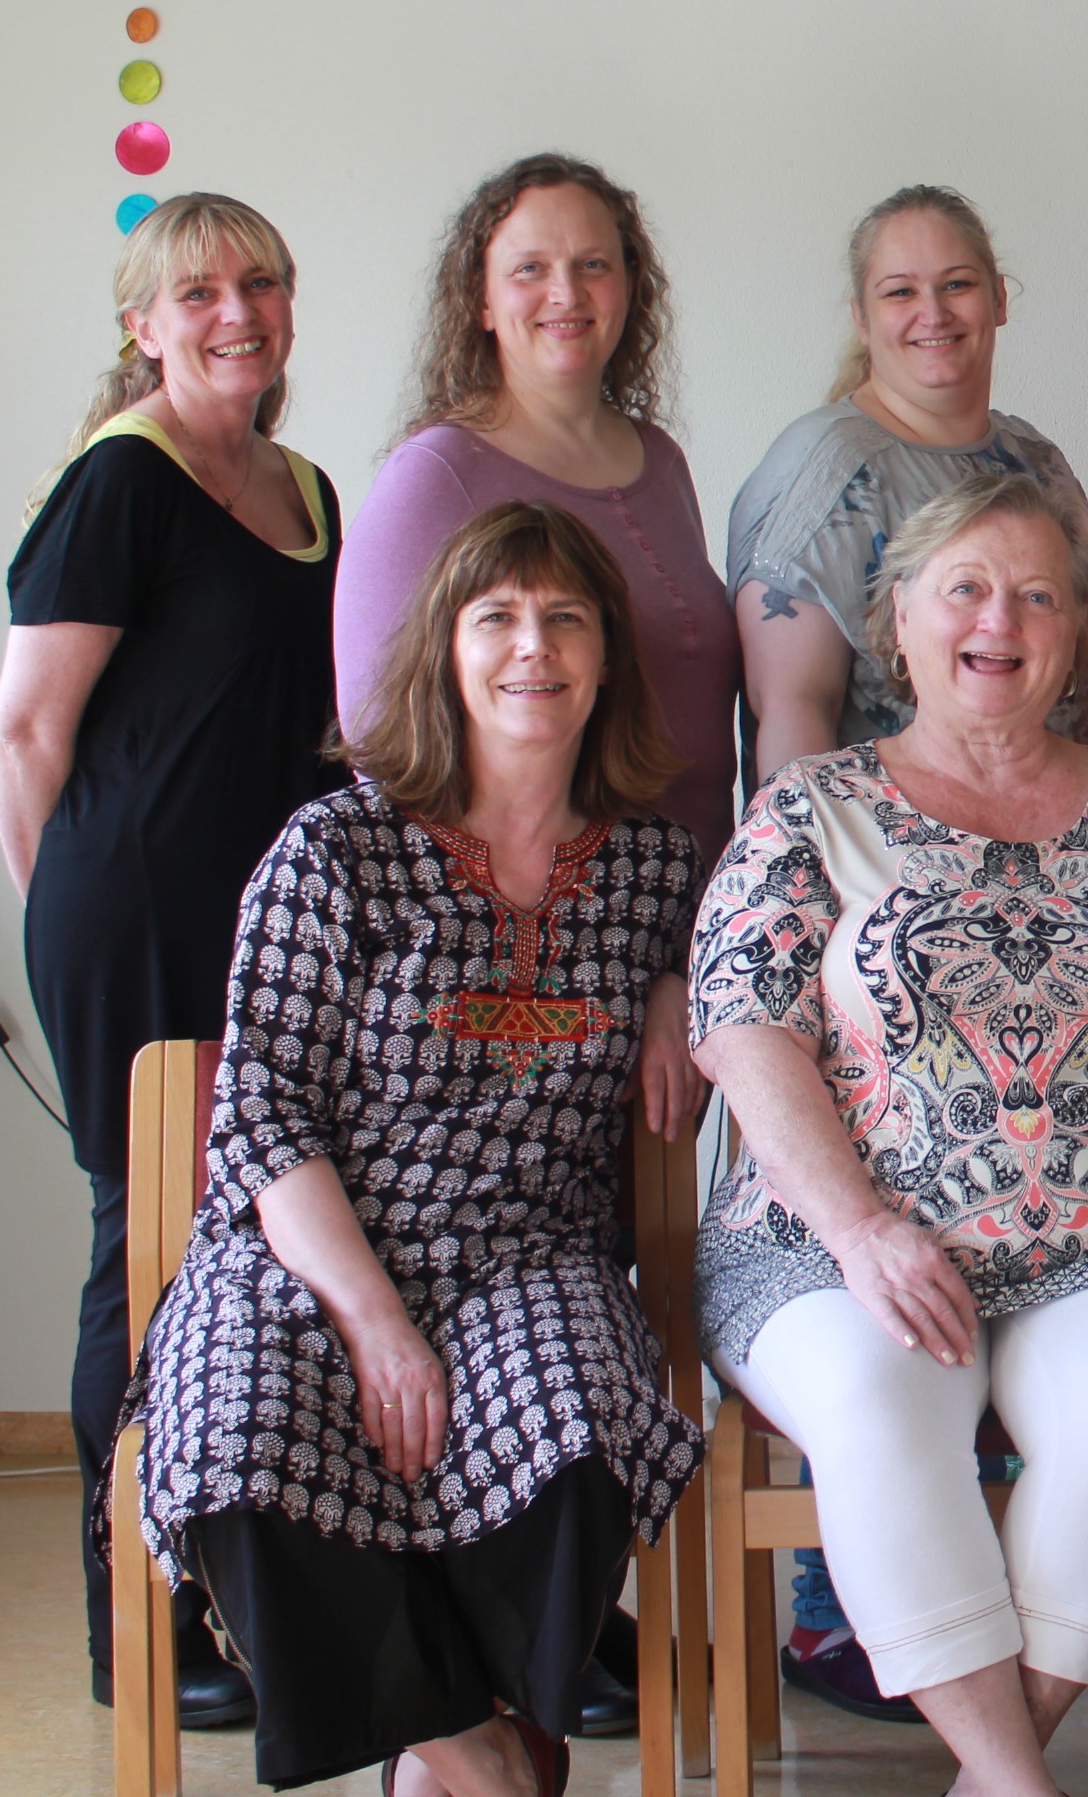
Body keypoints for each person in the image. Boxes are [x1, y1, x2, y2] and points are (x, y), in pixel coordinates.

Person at [686, 471, 1088, 1797]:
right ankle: (1017, 1782)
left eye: (1035, 595)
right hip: (837, 1242)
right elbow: (741, 1031)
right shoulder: (809, 807)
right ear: (900, 620)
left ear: (1076, 634)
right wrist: (861, 1230)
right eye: (965, 588)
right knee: (881, 1411)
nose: (997, 619)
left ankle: (996, 1776)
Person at [127, 501, 706, 1797]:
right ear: (443, 652)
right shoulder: (333, 849)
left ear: (607, 655)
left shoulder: (660, 872)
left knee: (580, 1417)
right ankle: (474, 1754)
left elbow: (738, 968)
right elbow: (262, 1108)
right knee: (236, 1435)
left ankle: (460, 1740)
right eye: (495, 617)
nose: (532, 647)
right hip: (306, 1254)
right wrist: (376, 1317)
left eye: (565, 618)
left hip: (524, 1258)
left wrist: (680, 996)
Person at [0, 192, 343, 1727]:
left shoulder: (309, 488)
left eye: (258, 282)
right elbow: (25, 734)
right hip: (135, 917)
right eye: (196, 291)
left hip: (273, 930)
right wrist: (75, 910)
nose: (234, 312)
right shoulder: (122, 480)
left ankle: (265, 1596)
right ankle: (127, 1621)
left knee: (270, 1250)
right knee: (145, 1250)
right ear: (144, 322)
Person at [336, 153, 740, 881]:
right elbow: (383, 751)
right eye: (530, 269)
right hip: (543, 927)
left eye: (593, 264)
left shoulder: (661, 461)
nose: (566, 292)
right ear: (481, 302)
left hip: (698, 897)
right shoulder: (435, 476)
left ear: (629, 287)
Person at [733, 183, 1088, 788]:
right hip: (890, 864)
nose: (933, 312)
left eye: (957, 284)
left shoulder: (1039, 461)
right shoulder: (825, 470)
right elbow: (791, 717)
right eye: (901, 292)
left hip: (1060, 847)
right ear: (862, 317)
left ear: (998, 300)